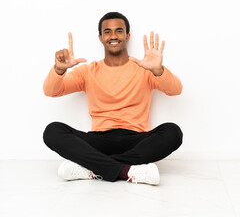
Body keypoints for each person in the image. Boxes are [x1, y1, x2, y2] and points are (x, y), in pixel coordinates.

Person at [42, 12, 183, 185]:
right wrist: (59, 69)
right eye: (107, 32)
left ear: (127, 36)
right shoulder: (88, 71)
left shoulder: (145, 69)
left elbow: (176, 90)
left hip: (136, 140)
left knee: (173, 132)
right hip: (98, 140)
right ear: (100, 38)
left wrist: (158, 70)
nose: (113, 36)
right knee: (52, 131)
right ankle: (126, 170)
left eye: (119, 31)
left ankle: (93, 168)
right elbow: (51, 91)